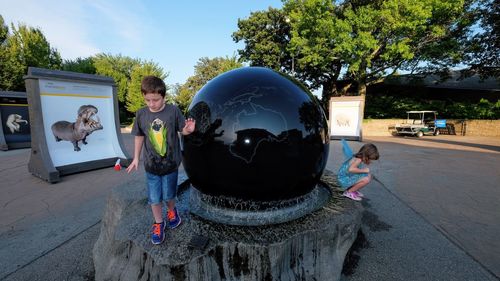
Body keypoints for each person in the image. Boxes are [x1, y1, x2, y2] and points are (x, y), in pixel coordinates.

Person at [126, 75, 195, 245]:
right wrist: (136, 158)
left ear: (164, 96)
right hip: (151, 166)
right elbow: (139, 136)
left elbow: (182, 131)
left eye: (155, 100)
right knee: (154, 197)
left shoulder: (173, 111)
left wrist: (188, 130)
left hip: (171, 164)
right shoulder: (141, 114)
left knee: (169, 194)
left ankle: (172, 211)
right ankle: (158, 222)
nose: (151, 104)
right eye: (147, 100)